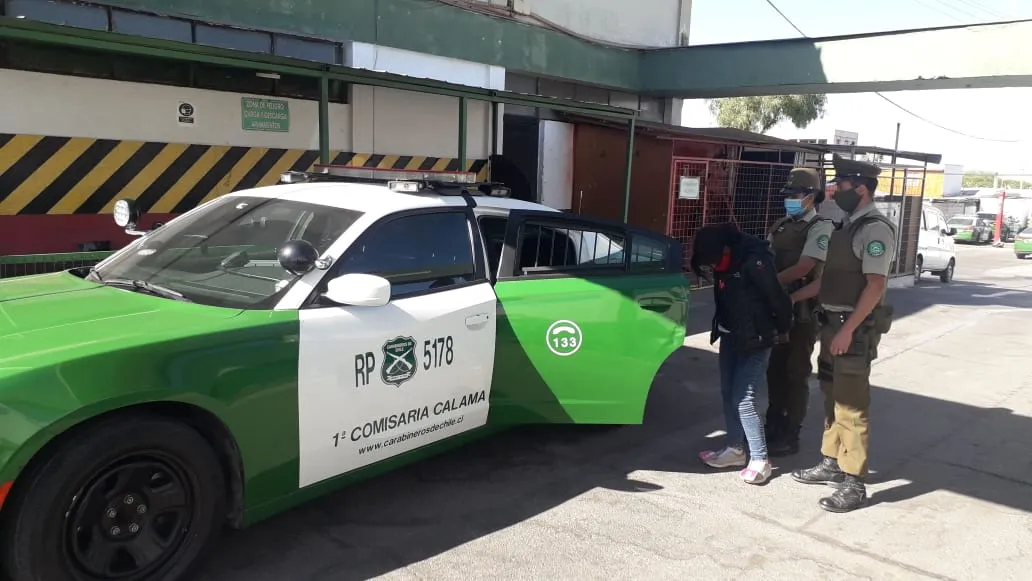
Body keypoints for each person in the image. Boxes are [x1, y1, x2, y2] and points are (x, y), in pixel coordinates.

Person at [790, 155, 897, 513]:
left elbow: (875, 286)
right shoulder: (845, 225)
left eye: (842, 185)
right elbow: (828, 281)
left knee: (851, 405)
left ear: (861, 189)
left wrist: (848, 330)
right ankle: (831, 461)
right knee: (831, 396)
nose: (835, 191)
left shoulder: (875, 229)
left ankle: (854, 482)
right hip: (832, 326)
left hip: (852, 329)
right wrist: (791, 297)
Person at [692, 222, 794, 485]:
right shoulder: (723, 262)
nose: (712, 266)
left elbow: (778, 298)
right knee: (728, 392)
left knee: (744, 399)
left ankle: (760, 459)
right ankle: (735, 449)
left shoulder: (755, 261)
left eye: (713, 261)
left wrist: (783, 329)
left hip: (757, 339)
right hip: (730, 334)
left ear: (726, 248)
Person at [763, 168, 834, 457]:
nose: (790, 200)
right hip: (778, 307)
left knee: (796, 372)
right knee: (774, 369)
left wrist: (770, 284)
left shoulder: (820, 227)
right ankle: (773, 423)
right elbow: (766, 256)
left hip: (802, 309)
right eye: (788, 195)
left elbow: (805, 267)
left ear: (812, 196)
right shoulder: (781, 225)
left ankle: (791, 432)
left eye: (796, 195)